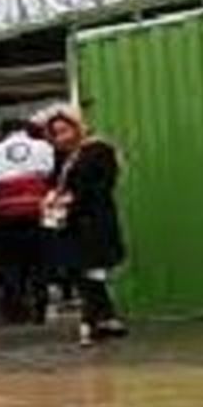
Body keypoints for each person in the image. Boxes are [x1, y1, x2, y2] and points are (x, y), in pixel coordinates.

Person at [42, 107, 129, 347]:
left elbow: (101, 185)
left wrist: (72, 199)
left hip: (95, 221)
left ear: (77, 128)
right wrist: (53, 199)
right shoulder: (62, 157)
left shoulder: (98, 150)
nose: (62, 137)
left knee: (91, 271)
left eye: (65, 130)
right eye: (56, 133)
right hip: (72, 223)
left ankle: (90, 322)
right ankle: (106, 319)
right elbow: (54, 182)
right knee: (85, 272)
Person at [0, 119, 56, 325]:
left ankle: (17, 310)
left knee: (12, 265)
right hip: (38, 214)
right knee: (40, 264)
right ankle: (40, 309)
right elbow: (51, 174)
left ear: (4, 132)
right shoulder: (43, 147)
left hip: (6, 217)